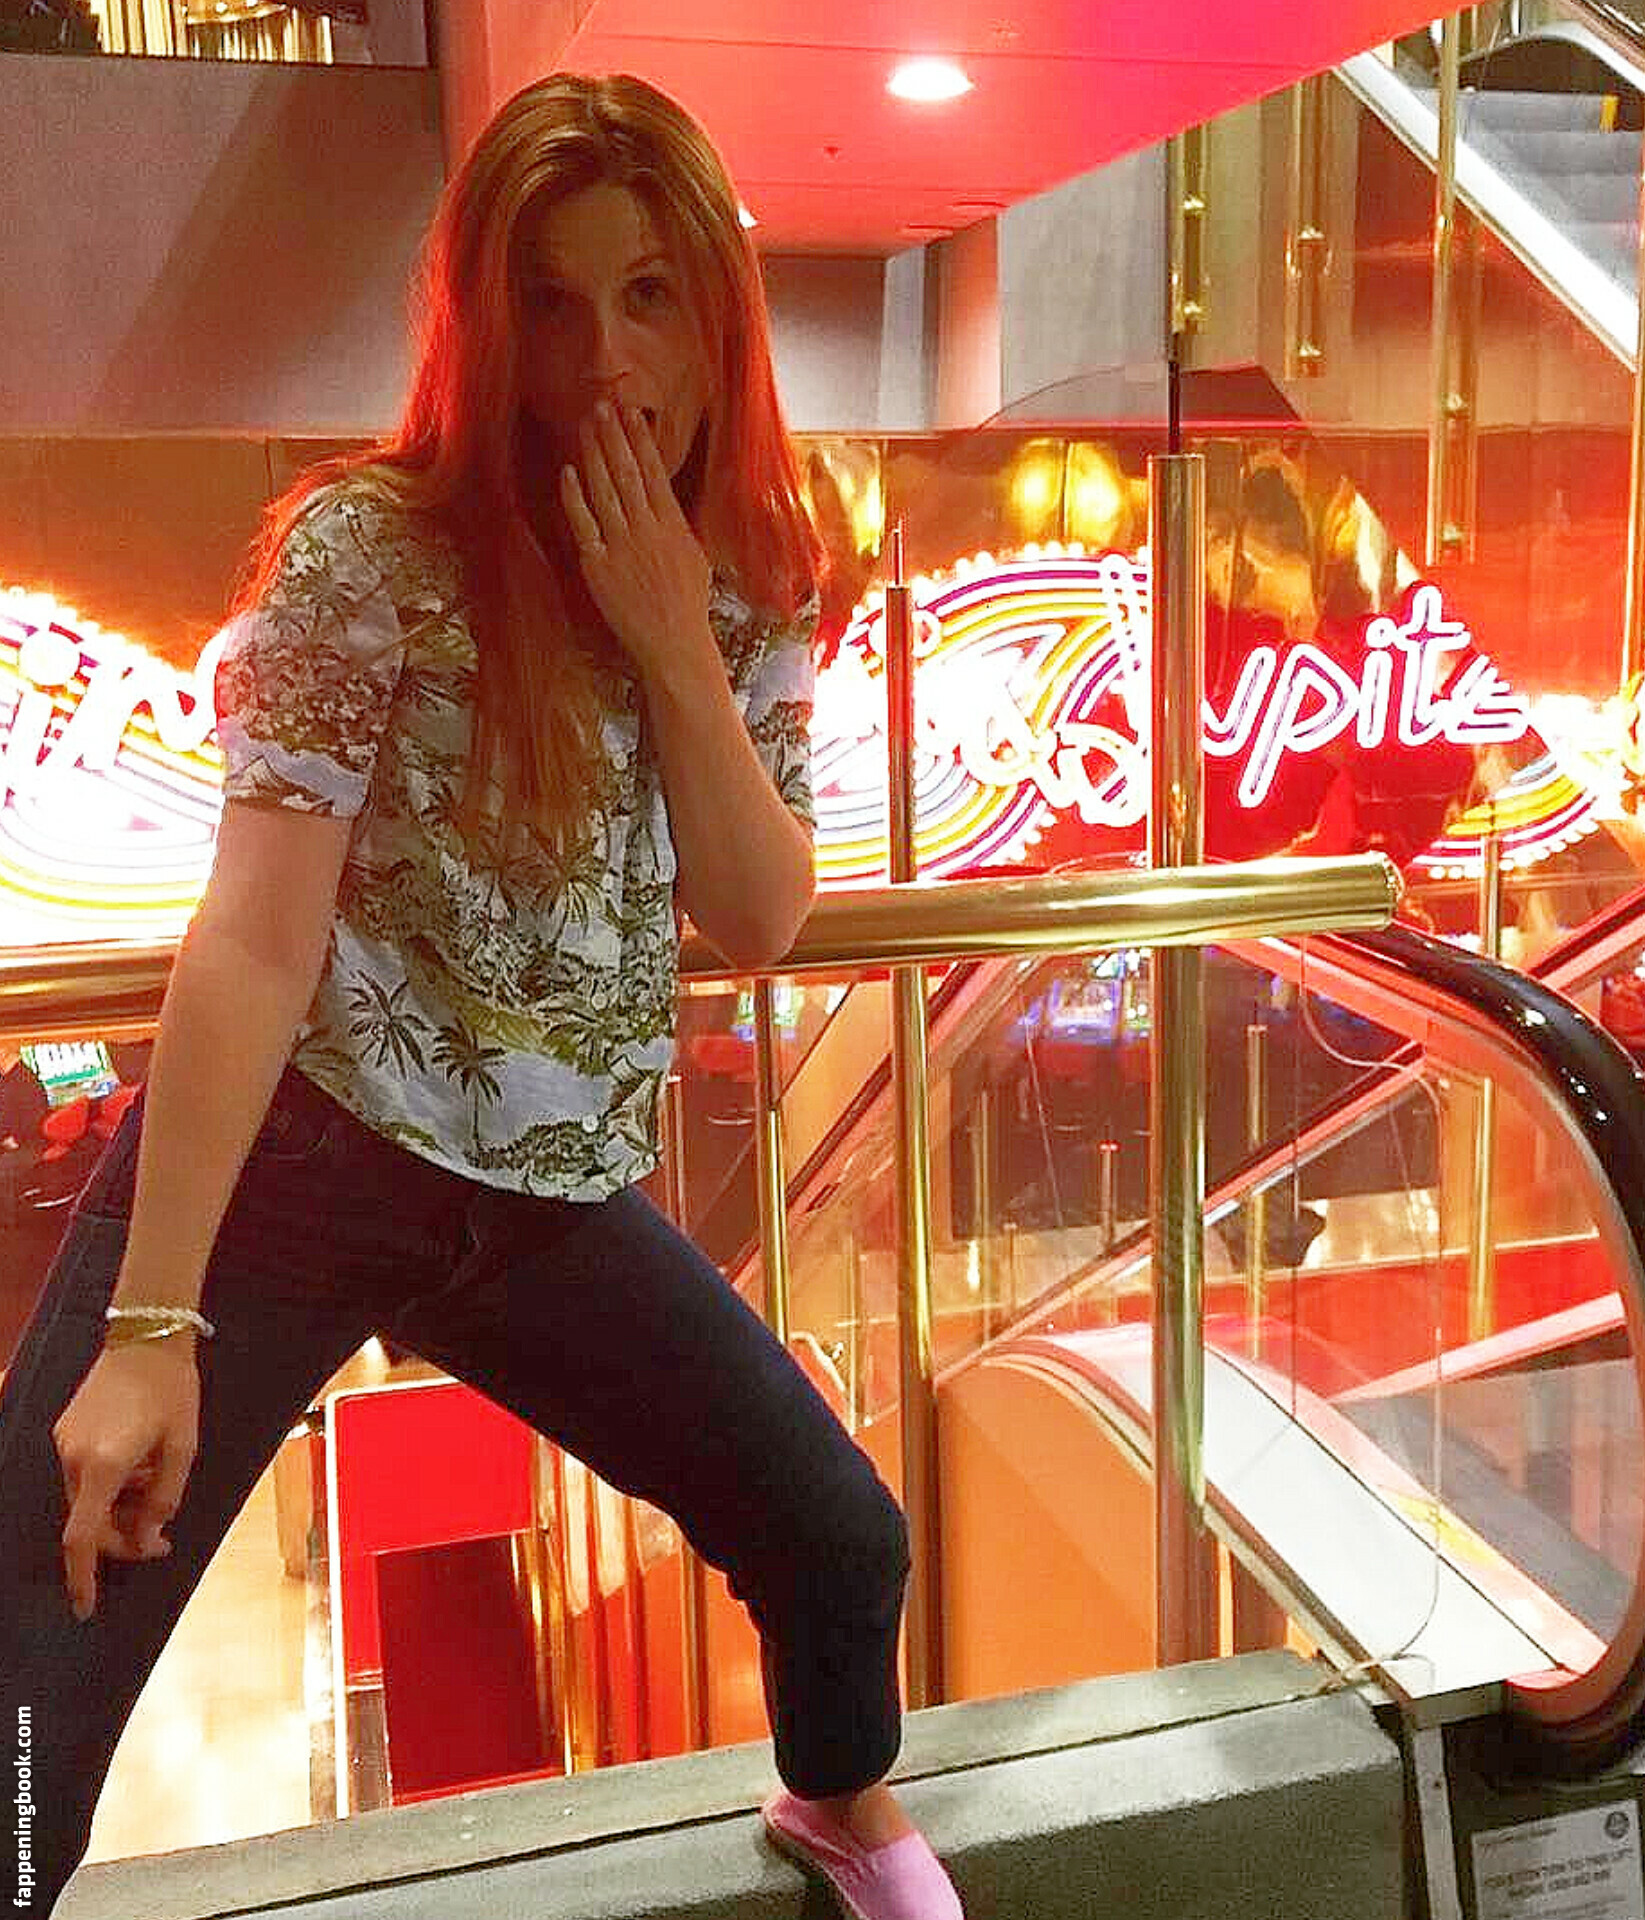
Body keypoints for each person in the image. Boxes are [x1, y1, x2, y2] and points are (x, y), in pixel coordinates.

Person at [0, 73, 963, 1920]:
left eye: (649, 295)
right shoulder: (373, 553)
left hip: (549, 1197)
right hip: (299, 1163)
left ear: (717, 313)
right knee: (39, 1632)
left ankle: (837, 1803)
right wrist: (151, 1321)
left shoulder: (756, 573)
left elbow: (760, 912)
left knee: (841, 1539)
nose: (605, 360)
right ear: (486, 323)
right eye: (552, 301)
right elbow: (253, 939)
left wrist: (672, 636)